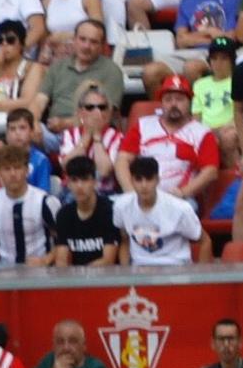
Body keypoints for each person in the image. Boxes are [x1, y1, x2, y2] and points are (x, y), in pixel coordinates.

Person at [122, 75, 219, 206]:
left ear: (189, 102)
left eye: (179, 99)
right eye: (168, 100)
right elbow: (122, 160)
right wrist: (131, 192)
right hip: (141, 196)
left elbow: (211, 172)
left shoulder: (202, 132)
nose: (173, 104)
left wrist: (183, 192)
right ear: (161, 103)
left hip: (179, 199)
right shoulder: (142, 125)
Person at [0, 143, 60, 267]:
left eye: (17, 168)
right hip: (3, 271)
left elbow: (64, 241)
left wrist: (46, 260)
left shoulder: (45, 202)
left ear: (26, 170)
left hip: (40, 272)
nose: (12, 174)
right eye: (7, 169)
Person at [115, 153, 204, 265]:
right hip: (139, 270)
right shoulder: (121, 206)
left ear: (157, 180)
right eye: (138, 179)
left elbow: (205, 242)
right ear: (131, 180)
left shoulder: (180, 208)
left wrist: (200, 281)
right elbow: (124, 240)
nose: (144, 185)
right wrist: (127, 275)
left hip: (176, 268)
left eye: (149, 179)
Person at [52, 156, 122, 265]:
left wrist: (82, 277)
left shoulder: (110, 211)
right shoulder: (63, 214)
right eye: (74, 180)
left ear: (94, 182)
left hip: (105, 278)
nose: (79, 186)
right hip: (75, 279)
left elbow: (108, 260)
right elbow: (61, 259)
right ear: (68, 184)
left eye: (84, 179)